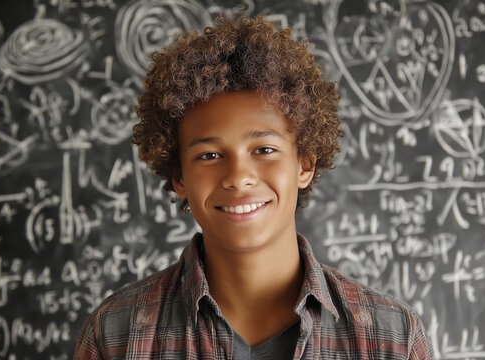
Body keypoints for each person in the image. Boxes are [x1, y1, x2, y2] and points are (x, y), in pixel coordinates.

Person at [75, 16, 433, 359]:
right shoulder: (116, 336)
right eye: (210, 154)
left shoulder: (392, 339)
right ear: (179, 178)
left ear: (304, 164)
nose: (238, 176)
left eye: (264, 150)